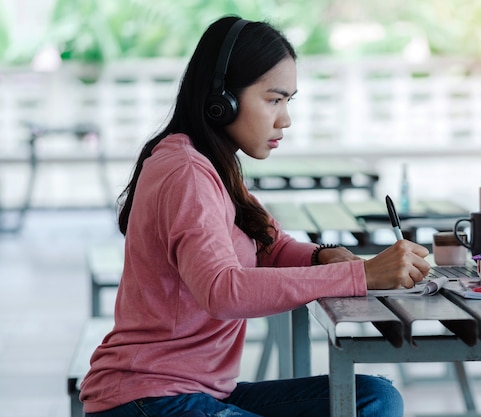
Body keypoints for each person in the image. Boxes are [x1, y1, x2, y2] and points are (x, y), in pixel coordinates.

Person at [79, 15, 431, 417]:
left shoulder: (215, 165)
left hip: (202, 392)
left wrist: (320, 256)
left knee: (374, 398)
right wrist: (361, 275)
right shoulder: (187, 172)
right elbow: (223, 290)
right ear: (222, 98)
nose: (285, 119)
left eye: (288, 101)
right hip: (151, 398)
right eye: (273, 99)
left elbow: (272, 245)